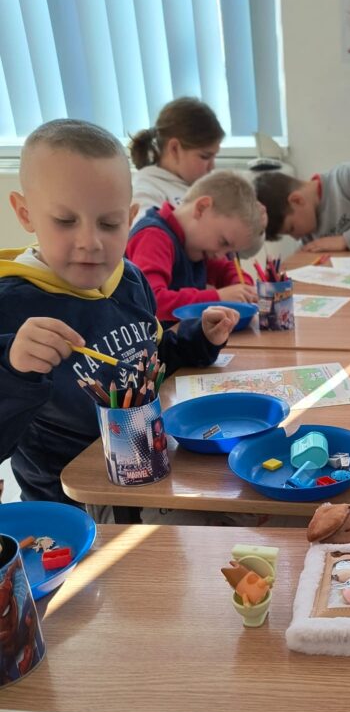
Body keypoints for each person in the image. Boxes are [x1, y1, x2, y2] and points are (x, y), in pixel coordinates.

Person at [0, 119, 239, 504]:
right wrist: (13, 370)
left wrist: (199, 338)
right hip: (72, 502)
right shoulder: (11, 304)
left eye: (109, 223)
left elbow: (152, 363)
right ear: (25, 213)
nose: (90, 242)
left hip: (151, 475)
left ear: (129, 218)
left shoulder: (129, 279)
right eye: (65, 221)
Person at [126, 169, 266, 323]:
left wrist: (244, 289)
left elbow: (226, 270)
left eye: (230, 251)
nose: (220, 255)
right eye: (223, 242)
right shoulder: (152, 237)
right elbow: (152, 302)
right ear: (202, 208)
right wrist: (218, 298)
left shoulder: (197, 246)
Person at [129, 97, 225, 221]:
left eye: (214, 157)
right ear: (174, 149)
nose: (212, 167)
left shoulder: (196, 183)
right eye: (205, 157)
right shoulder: (147, 190)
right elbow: (145, 229)